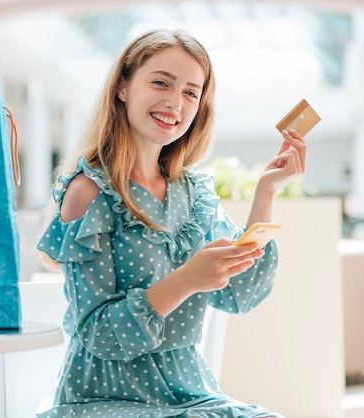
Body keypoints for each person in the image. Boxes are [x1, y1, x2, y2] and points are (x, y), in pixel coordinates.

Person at [35, 28, 306, 418]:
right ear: (123, 87)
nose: (174, 102)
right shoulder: (90, 192)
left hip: (191, 393)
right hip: (106, 397)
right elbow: (97, 334)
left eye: (190, 92)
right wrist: (186, 280)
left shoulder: (193, 194)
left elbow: (240, 293)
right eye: (161, 82)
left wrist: (267, 192)